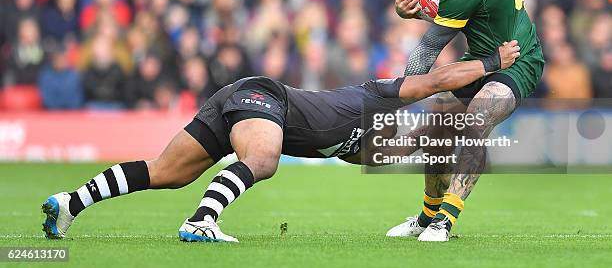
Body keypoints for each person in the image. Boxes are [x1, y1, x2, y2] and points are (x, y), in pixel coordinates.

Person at [41, 42, 520, 243]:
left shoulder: (361, 149)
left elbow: (413, 147)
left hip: (236, 102)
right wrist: (490, 64)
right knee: (263, 160)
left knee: (166, 173)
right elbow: (433, 81)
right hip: (264, 95)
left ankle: (69, 203)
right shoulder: (375, 95)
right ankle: (202, 220)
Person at [388, 0, 545, 242]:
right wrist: (412, 14)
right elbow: (461, 14)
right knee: (438, 125)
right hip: (486, 55)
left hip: (519, 60)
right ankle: (427, 215)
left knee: (476, 119)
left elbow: (425, 56)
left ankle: (445, 220)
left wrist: (396, 98)